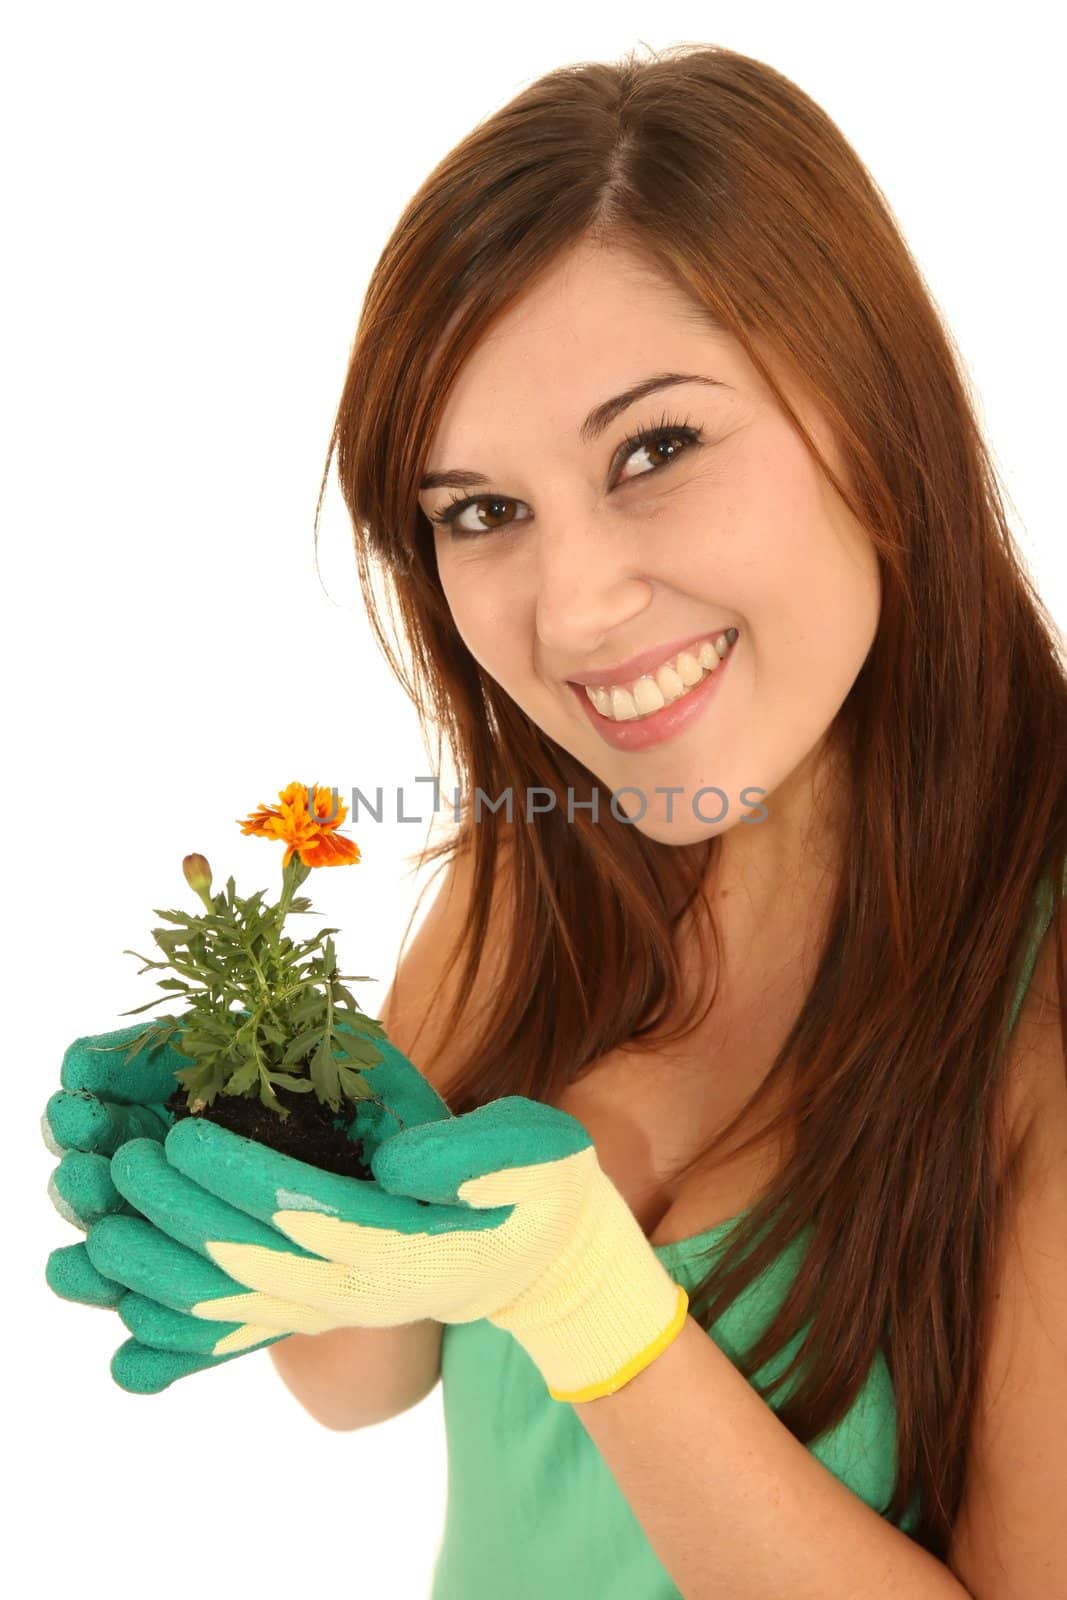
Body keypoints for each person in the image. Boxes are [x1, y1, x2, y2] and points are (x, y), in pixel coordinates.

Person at [44, 42, 1066, 1599]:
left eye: (655, 449)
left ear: (872, 416)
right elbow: (363, 1382)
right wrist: (282, 1158)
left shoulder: (1040, 992)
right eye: (481, 512)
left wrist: (596, 1306)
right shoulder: (535, 874)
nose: (574, 608)